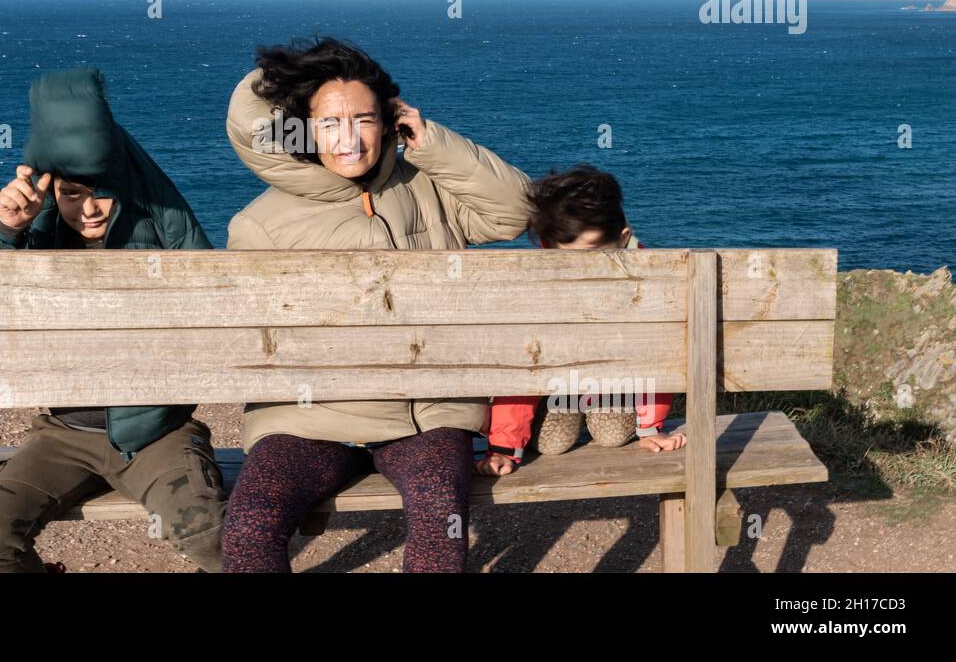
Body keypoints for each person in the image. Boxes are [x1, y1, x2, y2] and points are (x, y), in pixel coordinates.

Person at [219, 37, 533, 572]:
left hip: (424, 414)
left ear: (387, 122)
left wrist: (430, 142)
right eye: (330, 123)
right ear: (298, 128)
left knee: (439, 507)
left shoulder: (426, 187)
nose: (349, 139)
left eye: (364, 120)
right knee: (248, 526)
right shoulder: (259, 223)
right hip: (307, 418)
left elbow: (515, 211)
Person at [0, 68, 226, 572]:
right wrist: (9, 228)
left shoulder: (160, 233)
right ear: (53, 193)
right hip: (62, 434)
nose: (90, 208)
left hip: (156, 433)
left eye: (102, 192)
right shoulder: (35, 242)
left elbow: (214, 306)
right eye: (72, 194)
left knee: (210, 535)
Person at [477, 166, 686, 476]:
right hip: (553, 389)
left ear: (623, 238)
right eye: (567, 256)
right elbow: (525, 367)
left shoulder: (646, 284)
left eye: (590, 254)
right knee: (553, 442)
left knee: (612, 433)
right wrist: (505, 445)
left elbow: (654, 356)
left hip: (611, 385)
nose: (580, 268)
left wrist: (649, 427)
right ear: (548, 248)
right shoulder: (540, 291)